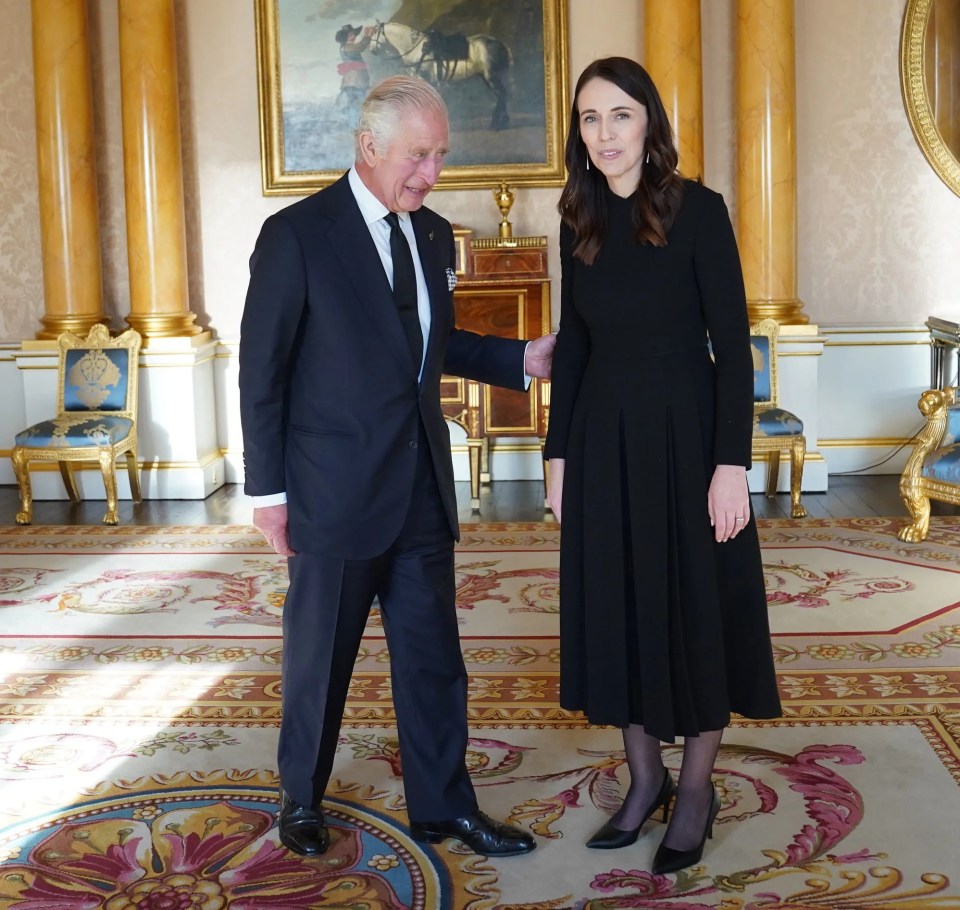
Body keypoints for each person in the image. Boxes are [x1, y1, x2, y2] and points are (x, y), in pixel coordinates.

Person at [239, 75, 555, 859]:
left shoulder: (435, 233)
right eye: (420, 155)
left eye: (442, 156)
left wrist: (521, 358)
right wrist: (268, 494)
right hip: (331, 492)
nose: (432, 173)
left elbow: (428, 345)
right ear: (369, 146)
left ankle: (445, 806)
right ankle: (302, 799)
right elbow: (261, 372)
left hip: (418, 487)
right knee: (320, 661)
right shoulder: (297, 235)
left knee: (432, 660)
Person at [544, 57, 781, 876]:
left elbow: (734, 353)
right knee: (620, 608)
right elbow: (573, 345)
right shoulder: (575, 214)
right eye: (588, 119)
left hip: (689, 443)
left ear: (649, 121)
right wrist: (557, 453)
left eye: (619, 115)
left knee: (699, 609)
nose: (603, 134)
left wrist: (730, 465)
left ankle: (695, 793)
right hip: (603, 441)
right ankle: (644, 779)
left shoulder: (700, 212)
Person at [334, 23, 373, 114]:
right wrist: (368, 36)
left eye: (353, 34)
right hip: (355, 81)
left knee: (355, 104)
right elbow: (361, 46)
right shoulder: (348, 47)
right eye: (351, 34)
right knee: (360, 104)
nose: (354, 36)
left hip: (353, 81)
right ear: (346, 37)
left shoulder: (345, 47)